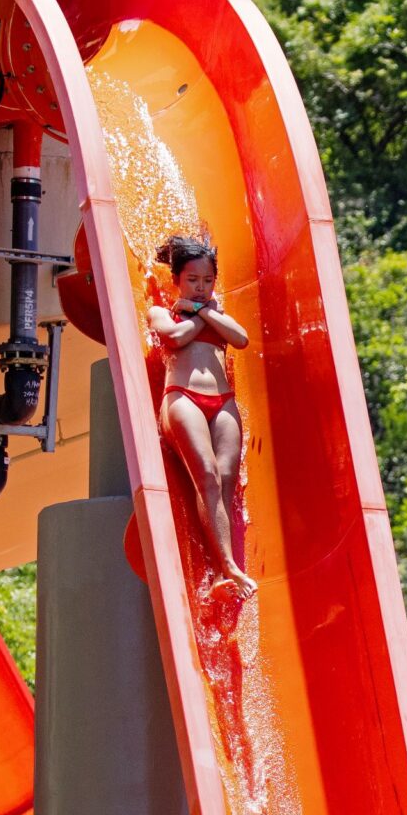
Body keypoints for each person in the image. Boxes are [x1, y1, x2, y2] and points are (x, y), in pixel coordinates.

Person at [146, 233, 254, 595]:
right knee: (206, 475)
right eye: (192, 281)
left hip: (221, 401)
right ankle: (228, 566)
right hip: (183, 398)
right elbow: (174, 337)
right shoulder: (161, 310)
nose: (201, 287)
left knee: (226, 478)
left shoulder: (212, 312)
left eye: (208, 281)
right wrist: (203, 317)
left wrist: (204, 311)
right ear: (176, 279)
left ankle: (223, 572)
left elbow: (240, 339)